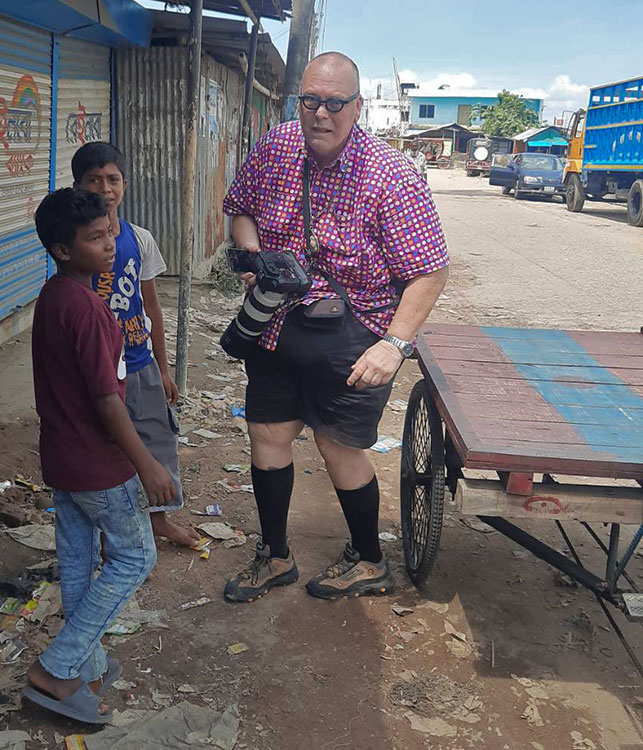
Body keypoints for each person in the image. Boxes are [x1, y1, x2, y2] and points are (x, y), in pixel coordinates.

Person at [222, 52, 449, 603]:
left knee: (337, 448)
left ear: (357, 106)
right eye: (309, 101)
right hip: (275, 325)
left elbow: (430, 271)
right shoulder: (276, 147)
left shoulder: (390, 175)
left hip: (353, 334)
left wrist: (393, 346)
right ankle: (274, 555)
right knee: (268, 436)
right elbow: (240, 208)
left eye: (334, 103)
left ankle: (369, 561)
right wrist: (255, 260)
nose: (319, 114)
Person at [24, 188, 175, 723]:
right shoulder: (87, 311)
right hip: (97, 464)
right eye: (94, 238)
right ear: (63, 250)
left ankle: (85, 664)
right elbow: (108, 403)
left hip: (62, 460)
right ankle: (56, 668)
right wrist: (148, 463)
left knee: (80, 566)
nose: (110, 243)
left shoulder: (53, 296)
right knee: (136, 558)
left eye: (109, 230)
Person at [71, 142, 199, 549]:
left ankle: (160, 521)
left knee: (157, 440)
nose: (104, 188)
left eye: (112, 179)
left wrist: (163, 368)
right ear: (78, 185)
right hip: (100, 371)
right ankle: (111, 535)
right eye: (93, 179)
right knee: (106, 449)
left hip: (140, 361)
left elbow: (151, 307)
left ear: (125, 185)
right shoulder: (76, 246)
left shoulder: (139, 240)